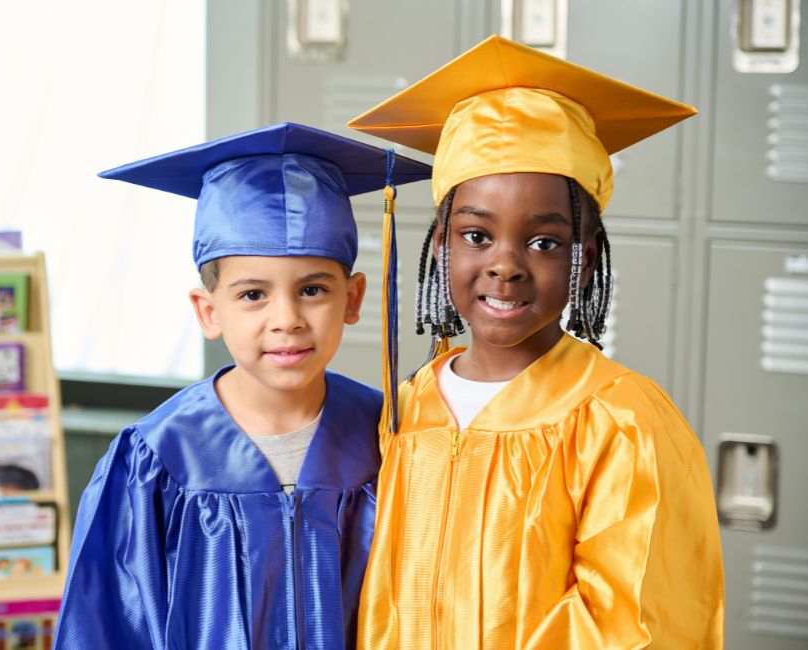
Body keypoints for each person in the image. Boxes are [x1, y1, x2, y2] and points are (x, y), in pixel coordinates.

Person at [348, 36, 725, 648]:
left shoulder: (619, 421)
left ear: (586, 257)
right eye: (476, 236)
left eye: (544, 243)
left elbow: (634, 624)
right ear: (440, 245)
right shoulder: (410, 403)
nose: (505, 265)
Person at [53, 122, 431, 650]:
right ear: (208, 311)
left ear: (352, 299)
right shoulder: (157, 458)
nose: (287, 319)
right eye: (253, 295)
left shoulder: (392, 436)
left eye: (313, 290)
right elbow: (106, 629)